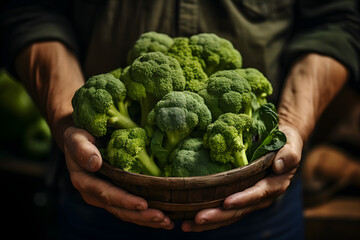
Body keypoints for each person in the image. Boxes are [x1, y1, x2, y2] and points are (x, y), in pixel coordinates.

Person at [1, 0, 359, 239]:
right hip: (96, 193)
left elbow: (339, 18)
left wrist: (292, 120)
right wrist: (68, 118)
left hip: (263, 198)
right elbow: (28, 9)